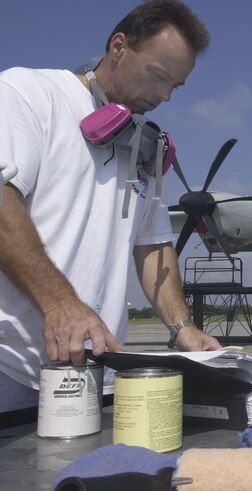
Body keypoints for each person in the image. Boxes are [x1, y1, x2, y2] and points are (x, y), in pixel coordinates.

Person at [0, 0, 221, 413]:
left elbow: (153, 245)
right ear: (118, 47)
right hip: (10, 369)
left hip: (97, 371)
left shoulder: (146, 148)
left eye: (176, 85)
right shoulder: (27, 94)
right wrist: (61, 303)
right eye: (158, 76)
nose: (165, 96)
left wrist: (182, 327)